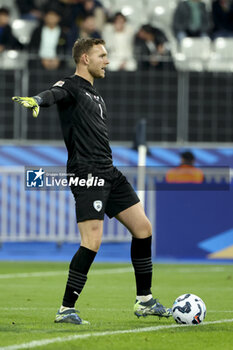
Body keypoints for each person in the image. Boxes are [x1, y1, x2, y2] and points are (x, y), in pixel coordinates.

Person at [12, 38, 172, 325]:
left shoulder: (96, 96)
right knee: (92, 241)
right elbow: (53, 94)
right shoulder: (70, 86)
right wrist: (36, 100)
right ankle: (66, 309)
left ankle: (145, 300)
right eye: (102, 55)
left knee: (143, 228)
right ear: (85, 58)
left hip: (109, 171)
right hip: (87, 173)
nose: (107, 60)